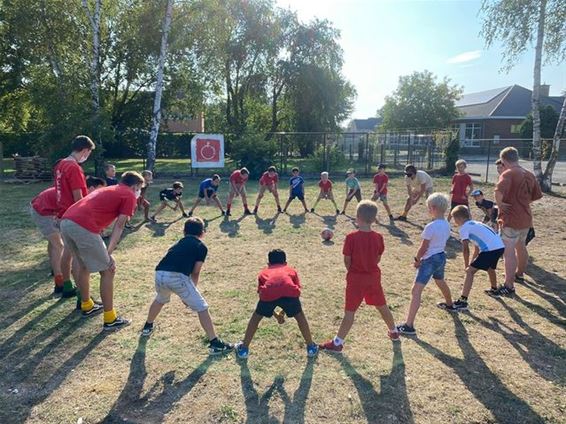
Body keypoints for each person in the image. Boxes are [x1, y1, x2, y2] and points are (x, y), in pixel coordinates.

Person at [60, 171, 145, 330]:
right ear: (135, 186)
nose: (140, 191)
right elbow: (119, 226)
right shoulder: (129, 195)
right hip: (82, 225)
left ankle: (86, 305)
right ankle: (110, 319)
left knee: (83, 265)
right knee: (108, 270)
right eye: (140, 188)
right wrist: (109, 253)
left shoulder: (110, 188)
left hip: (66, 222)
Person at [141, 217, 235, 354]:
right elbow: (195, 272)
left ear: (184, 231)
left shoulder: (178, 243)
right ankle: (215, 343)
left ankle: (147, 326)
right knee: (202, 307)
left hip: (160, 274)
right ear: (203, 232)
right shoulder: (201, 246)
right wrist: (190, 293)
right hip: (177, 277)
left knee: (160, 299)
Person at [320, 200, 399, 352]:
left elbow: (347, 260)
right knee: (382, 305)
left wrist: (353, 271)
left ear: (357, 217)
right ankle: (394, 331)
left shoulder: (351, 237)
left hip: (356, 279)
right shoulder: (379, 237)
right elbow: (378, 258)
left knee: (350, 311)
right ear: (374, 219)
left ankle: (337, 343)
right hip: (373, 277)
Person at [235, 249, 318, 358]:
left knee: (256, 317)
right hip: (290, 292)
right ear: (285, 263)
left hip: (269, 293)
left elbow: (265, 297)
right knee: (299, 316)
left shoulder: (263, 273)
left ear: (268, 264)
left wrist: (277, 314)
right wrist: (282, 313)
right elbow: (294, 294)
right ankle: (311, 347)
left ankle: (244, 349)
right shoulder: (291, 271)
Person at [396, 193, 456, 336]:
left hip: (429, 259)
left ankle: (409, 325)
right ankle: (450, 304)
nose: (428, 210)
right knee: (440, 280)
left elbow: (423, 248)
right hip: (441, 256)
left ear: (433, 208)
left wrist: (417, 260)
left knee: (416, 291)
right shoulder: (447, 225)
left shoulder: (431, 226)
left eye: (428, 207)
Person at [494, 147, 542, 295]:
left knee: (508, 252)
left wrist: (501, 205)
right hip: (526, 218)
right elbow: (536, 195)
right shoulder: (529, 174)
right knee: (521, 246)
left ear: (503, 160)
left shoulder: (508, 173)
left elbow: (498, 191)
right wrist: (522, 202)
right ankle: (519, 274)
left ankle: (509, 285)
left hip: (511, 219)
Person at [54, 135, 96, 298]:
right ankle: (82, 297)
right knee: (79, 259)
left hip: (62, 213)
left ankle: (67, 286)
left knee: (67, 252)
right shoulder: (74, 168)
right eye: (89, 153)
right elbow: (78, 197)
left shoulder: (60, 164)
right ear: (85, 150)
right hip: (74, 216)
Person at [451, 205, 505, 307]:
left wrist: (467, 266)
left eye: (454, 219)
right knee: (490, 267)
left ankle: (463, 300)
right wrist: (472, 262)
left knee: (470, 272)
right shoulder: (477, 223)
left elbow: (465, 249)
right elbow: (477, 248)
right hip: (500, 246)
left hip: (490, 249)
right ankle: (494, 289)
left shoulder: (464, 228)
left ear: (459, 218)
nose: (454, 222)